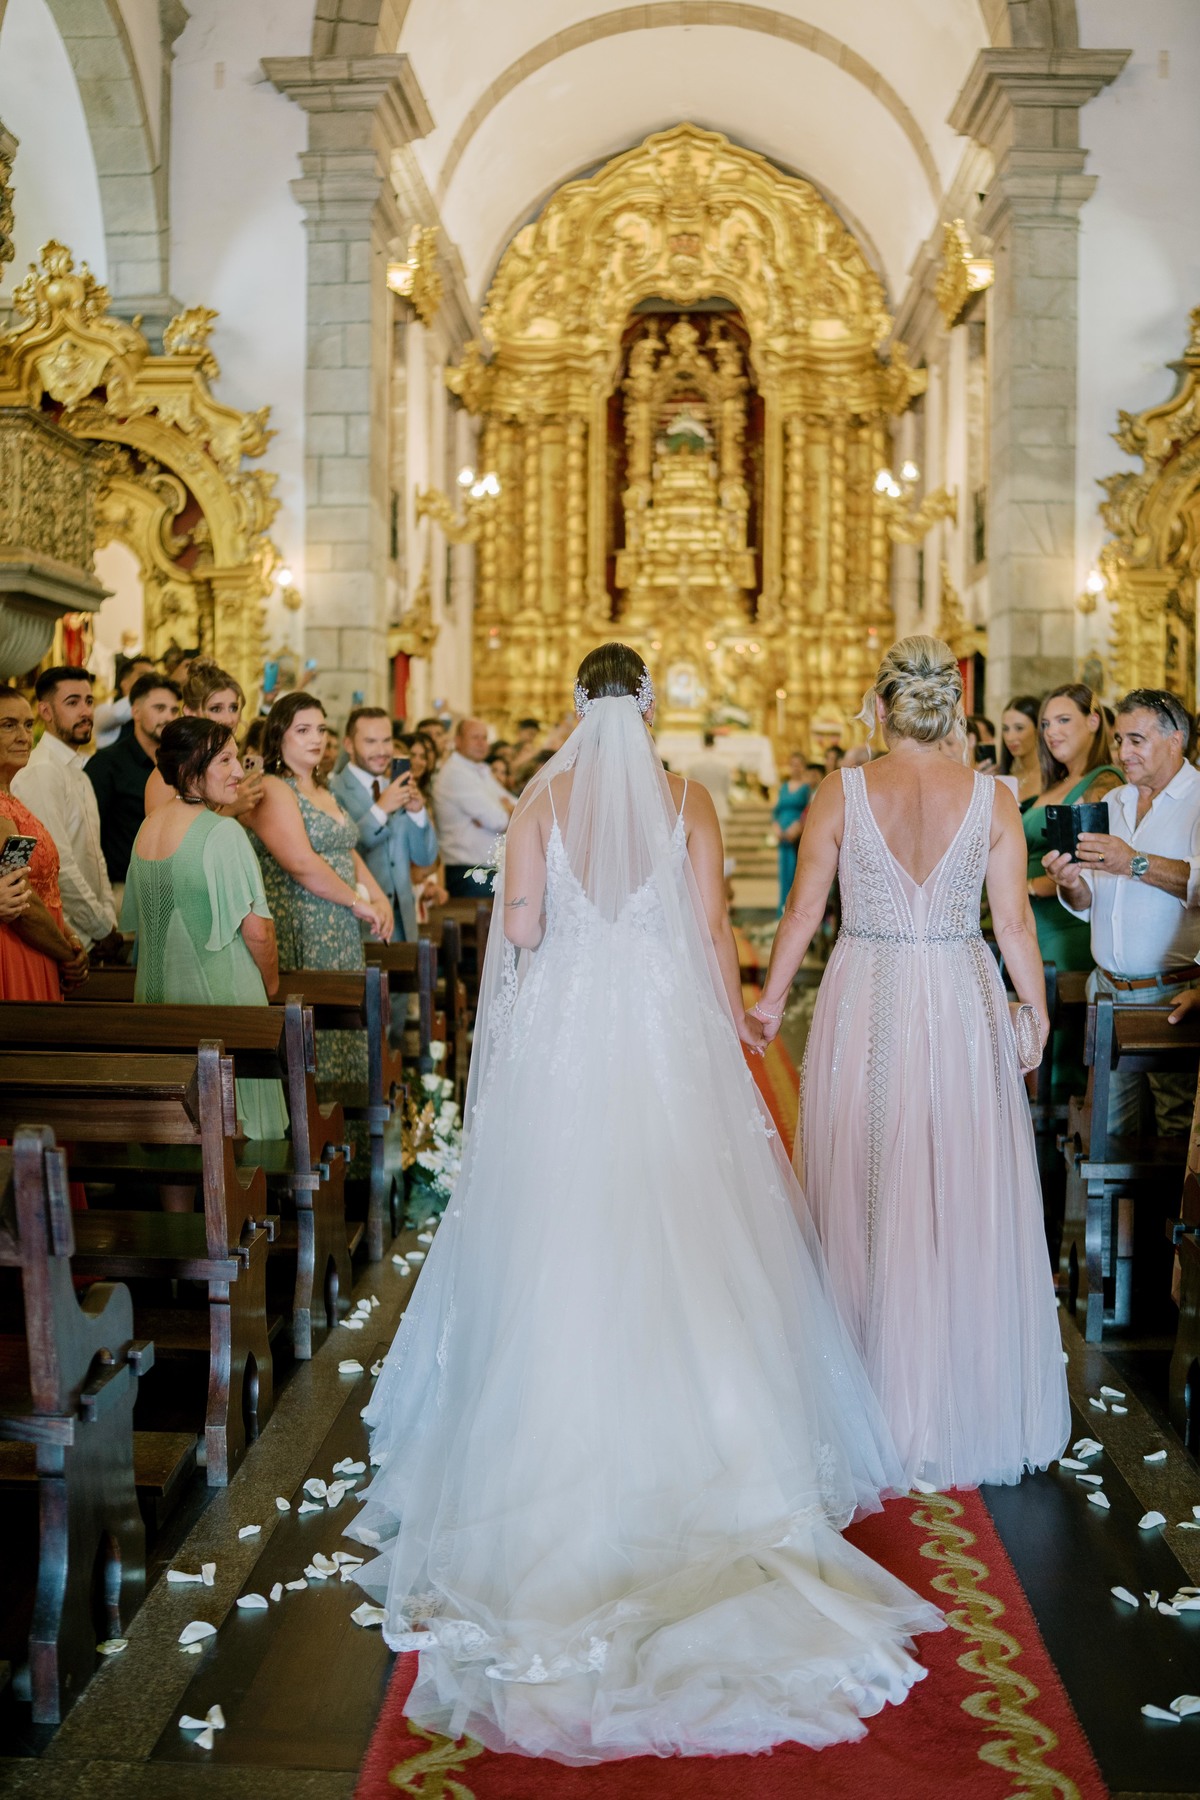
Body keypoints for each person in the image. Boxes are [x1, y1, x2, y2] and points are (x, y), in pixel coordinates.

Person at [349, 642, 942, 1762]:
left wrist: (561, 952)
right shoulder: (690, 796)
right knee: (692, 1230)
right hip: (665, 1034)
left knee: (568, 1233)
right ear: (652, 705)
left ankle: (563, 1444)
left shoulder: (541, 800)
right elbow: (713, 927)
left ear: (579, 707)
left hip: (573, 1040)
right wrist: (735, 1029)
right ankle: (715, 1457)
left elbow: (517, 933)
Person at [753, 636, 1068, 1490]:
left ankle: (867, 1397)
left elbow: (803, 908)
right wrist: (1033, 1011)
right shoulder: (995, 796)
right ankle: (953, 1394)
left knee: (868, 1175)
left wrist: (771, 1000)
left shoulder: (842, 790)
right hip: (961, 993)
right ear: (950, 710)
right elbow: (1012, 927)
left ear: (881, 707)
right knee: (954, 1178)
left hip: (872, 986)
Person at [1043, 688, 1200, 1142]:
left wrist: (1133, 861)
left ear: (1176, 740)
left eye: (1136, 740)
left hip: (1172, 997)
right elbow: (1086, 899)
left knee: (1176, 1131)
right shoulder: (1114, 804)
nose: (1122, 752)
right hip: (1108, 991)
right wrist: (1069, 881)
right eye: (1118, 740)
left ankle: (1174, 1218)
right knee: (1108, 1138)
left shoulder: (1197, 800)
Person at [121, 717, 287, 1140]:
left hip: (156, 1004)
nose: (238, 771)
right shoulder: (223, 832)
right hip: (221, 1004)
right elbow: (258, 931)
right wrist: (269, 988)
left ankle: (177, 1210)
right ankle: (236, 1207)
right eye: (226, 760)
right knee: (239, 1133)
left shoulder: (148, 826)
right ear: (192, 769)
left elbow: (136, 928)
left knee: (171, 1131)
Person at [246, 692, 391, 1083]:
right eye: (303, 730)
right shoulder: (274, 788)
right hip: (306, 925)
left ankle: (349, 1136)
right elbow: (302, 863)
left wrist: (377, 896)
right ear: (279, 736)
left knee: (345, 1035)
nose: (316, 739)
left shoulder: (323, 790)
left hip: (340, 926)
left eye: (321, 729)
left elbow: (345, 848)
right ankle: (317, 1138)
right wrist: (360, 902)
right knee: (316, 1042)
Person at [1022, 685, 1124, 1098]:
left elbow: (1092, 864)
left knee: (1058, 1048)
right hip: (1033, 924)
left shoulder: (1103, 783)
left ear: (1093, 721)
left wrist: (1028, 885)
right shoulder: (1060, 781)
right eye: (1046, 723)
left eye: (1064, 720)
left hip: (1067, 927)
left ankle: (1055, 1150)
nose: (1051, 731)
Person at [12, 665, 122, 960]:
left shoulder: (80, 772)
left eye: (89, 701)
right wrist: (100, 927)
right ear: (45, 712)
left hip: (92, 934)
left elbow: (95, 857)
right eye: (72, 702)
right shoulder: (42, 771)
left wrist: (108, 919)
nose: (85, 711)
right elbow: (59, 864)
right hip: (67, 937)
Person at [0, 686, 90, 1001]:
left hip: (43, 945)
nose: (24, 736)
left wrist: (70, 938)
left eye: (27, 724)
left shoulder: (12, 803)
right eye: (8, 725)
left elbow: (41, 890)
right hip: (17, 949)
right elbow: (20, 900)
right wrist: (67, 953)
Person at [329, 706, 438, 942]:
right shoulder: (332, 791)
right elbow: (342, 854)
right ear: (349, 745)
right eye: (370, 742)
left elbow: (424, 859)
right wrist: (380, 810)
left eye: (387, 741)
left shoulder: (396, 786)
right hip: (362, 925)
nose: (381, 751)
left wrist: (419, 814)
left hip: (404, 926)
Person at [85, 672, 182, 892]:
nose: (168, 717)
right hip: (122, 887)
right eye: (159, 708)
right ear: (135, 712)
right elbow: (89, 836)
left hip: (173, 885)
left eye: (174, 710)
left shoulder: (181, 765)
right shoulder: (107, 763)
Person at [143, 662, 262, 820]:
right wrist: (231, 809)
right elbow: (167, 837)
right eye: (216, 709)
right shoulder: (170, 774)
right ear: (189, 712)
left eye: (233, 708)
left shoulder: (234, 765)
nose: (229, 719)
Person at [431, 717, 514, 896]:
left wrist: (507, 809)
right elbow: (498, 821)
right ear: (458, 741)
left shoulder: (480, 769)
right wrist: (504, 811)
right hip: (467, 873)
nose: (481, 743)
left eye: (484, 738)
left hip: (488, 870)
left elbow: (519, 805)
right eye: (475, 737)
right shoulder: (455, 773)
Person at [771, 750, 813, 914]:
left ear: (803, 767)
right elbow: (776, 811)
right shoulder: (783, 787)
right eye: (792, 765)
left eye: (798, 765)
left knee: (796, 871)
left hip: (797, 834)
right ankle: (782, 908)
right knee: (784, 872)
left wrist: (797, 827)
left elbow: (808, 810)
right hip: (783, 835)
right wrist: (776, 828)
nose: (795, 768)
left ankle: (793, 909)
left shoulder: (806, 788)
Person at [93, 652, 154, 749]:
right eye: (143, 676)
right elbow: (116, 714)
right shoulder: (103, 711)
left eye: (153, 677)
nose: (150, 681)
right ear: (124, 683)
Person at [683, 728, 733, 824]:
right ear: (715, 744)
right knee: (721, 836)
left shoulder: (694, 762)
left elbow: (689, 785)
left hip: (699, 803)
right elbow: (726, 786)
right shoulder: (723, 763)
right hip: (719, 802)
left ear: (703, 743)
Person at [999, 695, 1042, 804]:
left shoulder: (1053, 778)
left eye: (1019, 728)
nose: (1009, 737)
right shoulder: (1004, 778)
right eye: (1005, 729)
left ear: (1038, 730)